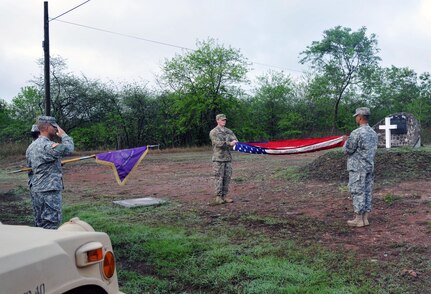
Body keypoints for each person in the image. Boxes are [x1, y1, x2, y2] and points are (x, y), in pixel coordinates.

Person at [26, 116, 74, 229]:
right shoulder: (48, 145)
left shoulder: (31, 147)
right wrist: (64, 135)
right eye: (54, 126)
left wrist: (56, 164)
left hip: (36, 189)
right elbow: (68, 149)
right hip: (49, 190)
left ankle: (40, 245)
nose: (57, 129)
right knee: (51, 223)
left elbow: (32, 168)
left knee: (40, 223)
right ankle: (50, 245)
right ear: (47, 127)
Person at [342, 107, 378, 227]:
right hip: (369, 166)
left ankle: (358, 219)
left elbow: (348, 150)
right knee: (367, 191)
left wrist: (346, 141)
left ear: (361, 117)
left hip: (357, 168)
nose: (356, 118)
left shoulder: (356, 133)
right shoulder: (373, 133)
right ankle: (365, 218)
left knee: (357, 192)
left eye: (356, 116)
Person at [209, 114, 238, 205]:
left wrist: (234, 142)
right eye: (222, 120)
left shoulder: (229, 131)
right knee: (218, 178)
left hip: (228, 158)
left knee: (227, 177)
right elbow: (217, 143)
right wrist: (229, 143)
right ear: (217, 120)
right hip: (218, 158)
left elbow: (235, 140)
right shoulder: (214, 132)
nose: (224, 121)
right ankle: (218, 197)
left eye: (225, 120)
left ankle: (224, 196)